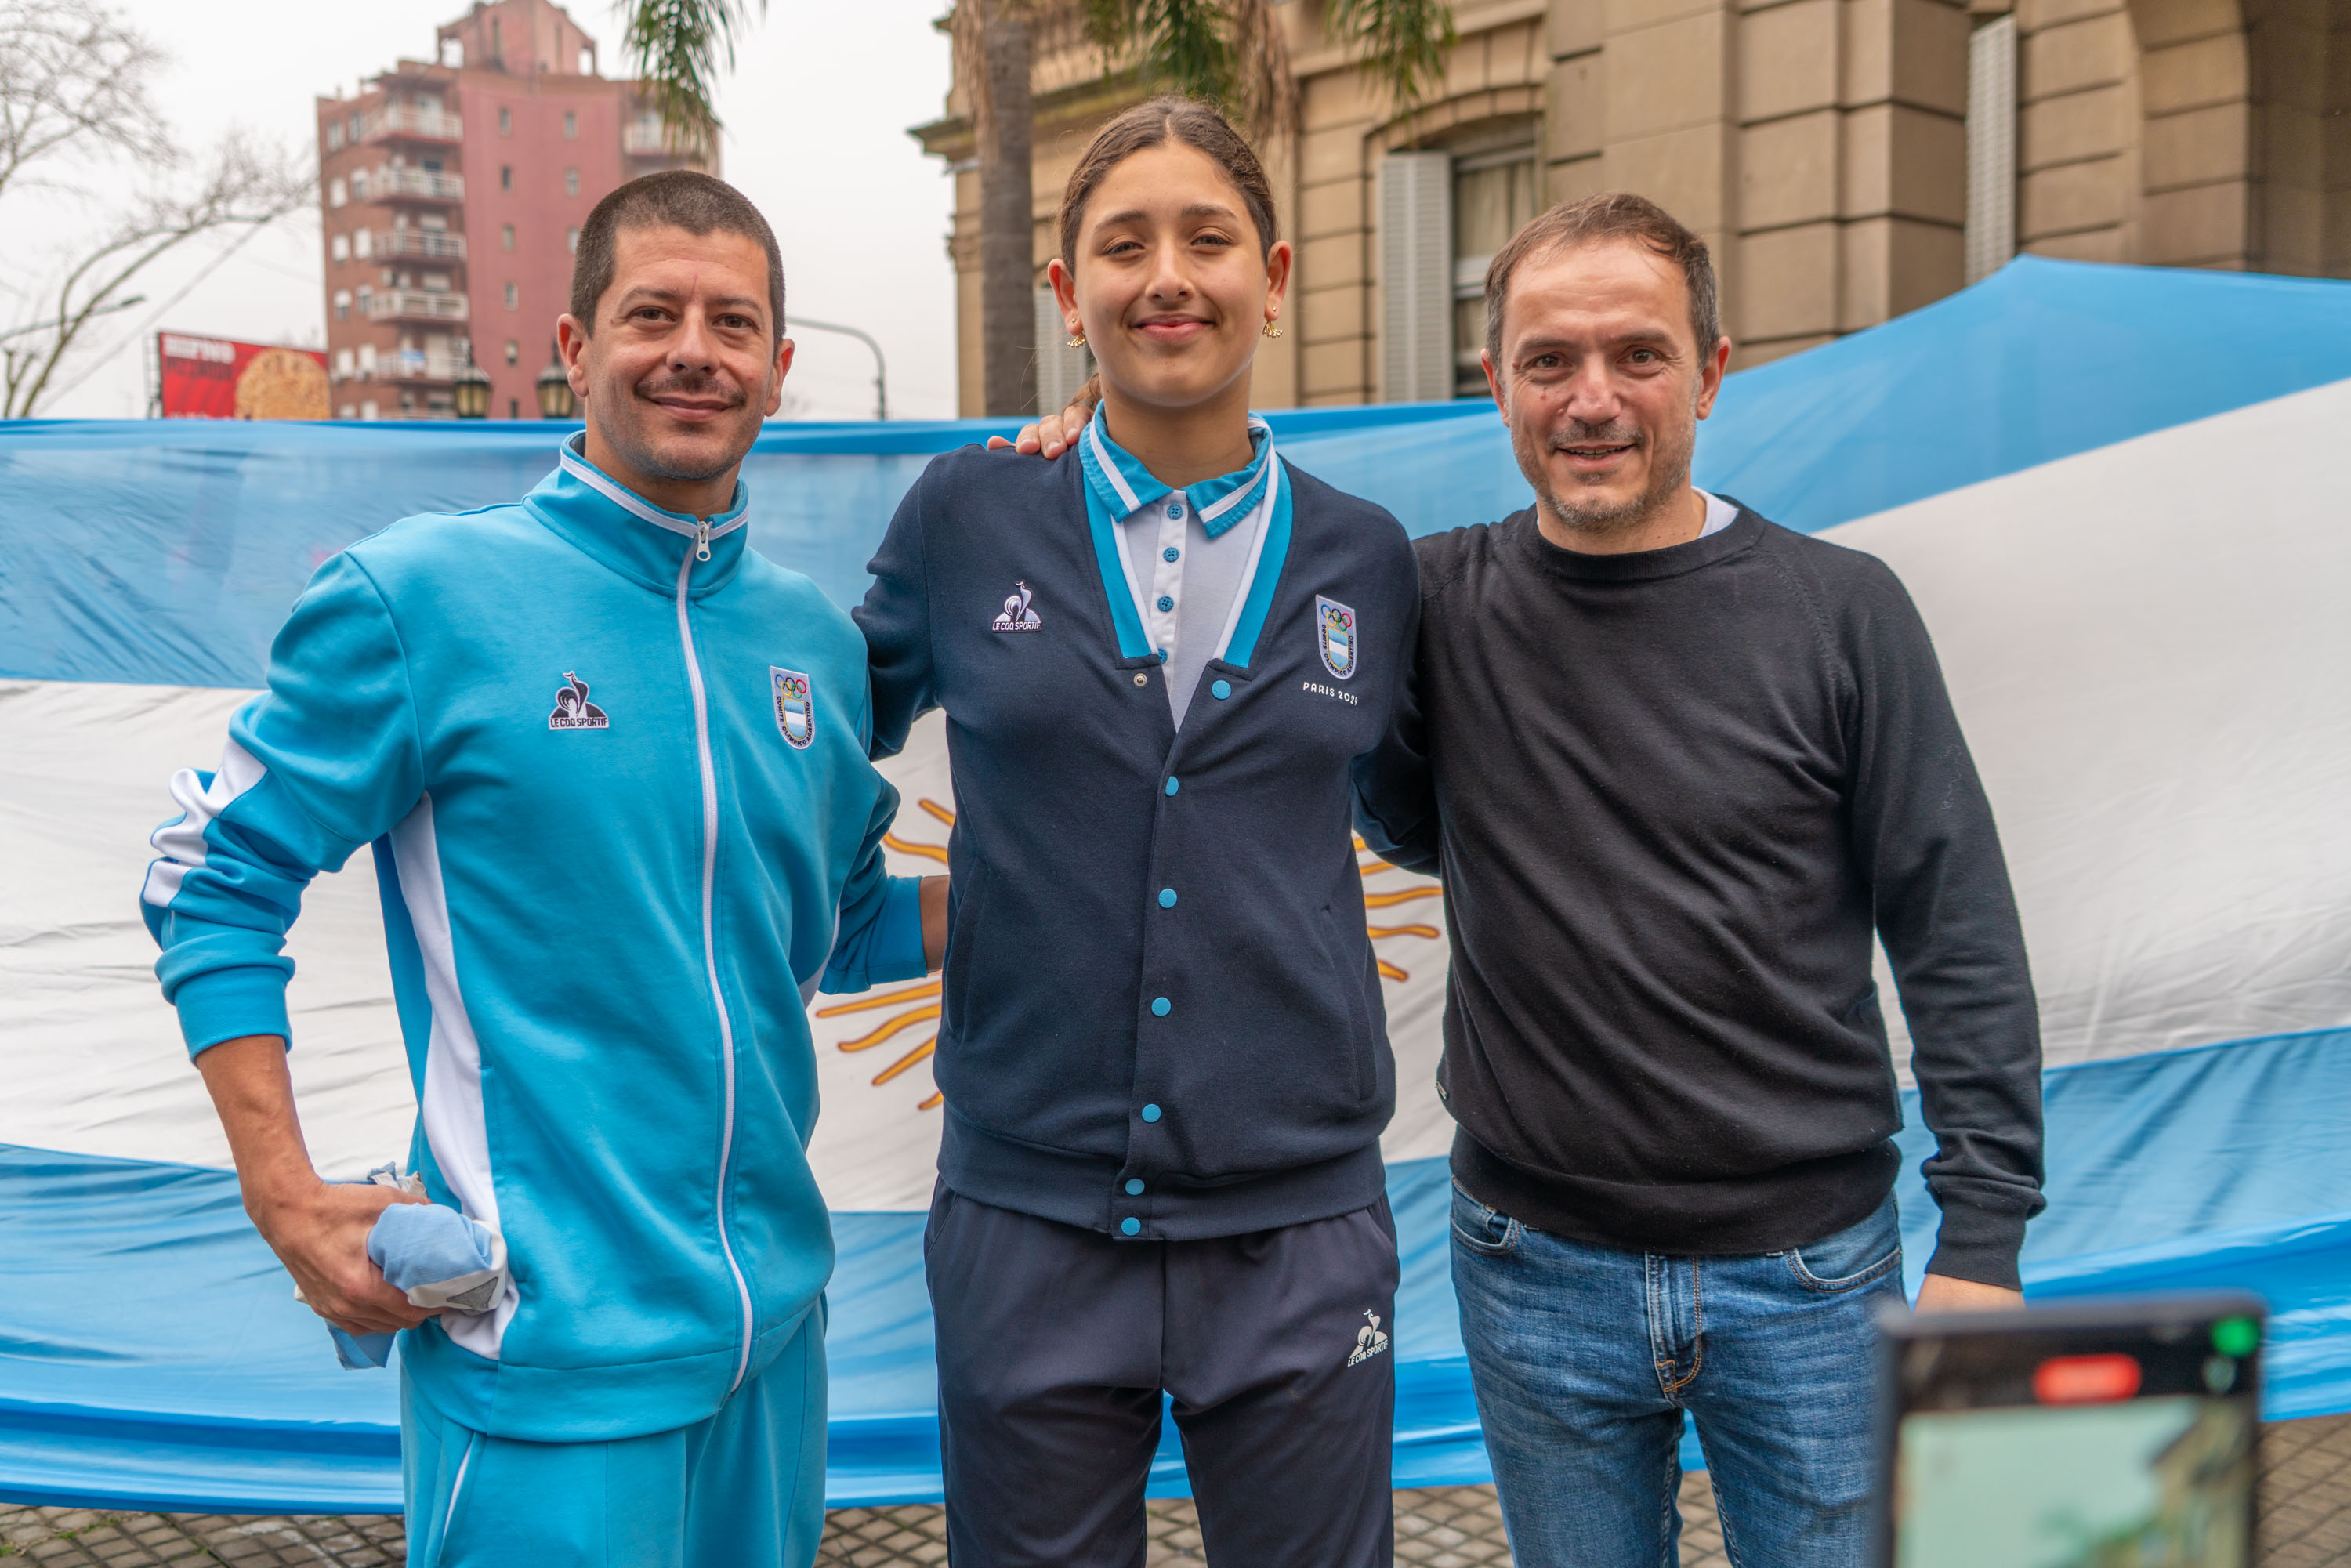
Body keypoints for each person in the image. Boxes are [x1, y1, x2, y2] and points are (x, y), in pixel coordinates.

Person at [1015, 191, 2045, 1566]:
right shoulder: (1420, 598)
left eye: (1640, 355)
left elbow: (1954, 923)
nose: (1594, 399)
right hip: (1531, 1269)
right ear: (1494, 381)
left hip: (1808, 1275)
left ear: (1713, 370)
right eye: (1550, 360)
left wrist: (1983, 1235)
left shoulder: (1841, 613)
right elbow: (1348, 747)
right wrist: (1088, 438)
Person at [139, 169, 945, 1568]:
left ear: (779, 369)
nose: (695, 348)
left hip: (772, 1355)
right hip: (541, 1367)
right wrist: (283, 1199)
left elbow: (843, 921)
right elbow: (209, 876)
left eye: (733, 322)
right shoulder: (422, 598)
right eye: (653, 313)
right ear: (575, 350)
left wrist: (1097, 890)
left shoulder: (811, 638)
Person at [854, 97, 1419, 1567]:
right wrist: (886, 912)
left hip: (1299, 1233)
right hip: (1024, 1222)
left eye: (1208, 238)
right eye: (1124, 245)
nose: (1168, 273)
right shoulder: (969, 513)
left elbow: (1436, 813)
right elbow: (793, 741)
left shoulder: (1372, 557)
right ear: (1068, 295)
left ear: (1275, 277)